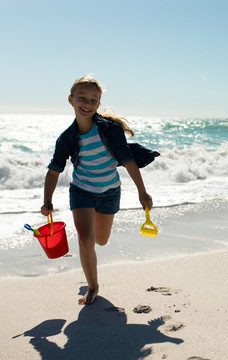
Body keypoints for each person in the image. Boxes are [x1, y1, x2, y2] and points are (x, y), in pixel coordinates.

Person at [41, 76, 153, 305]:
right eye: (82, 98)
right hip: (81, 190)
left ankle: (91, 268)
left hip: (110, 191)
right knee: (85, 240)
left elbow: (128, 160)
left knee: (101, 240)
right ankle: (93, 287)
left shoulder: (111, 129)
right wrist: (47, 200)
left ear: (98, 104)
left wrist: (142, 192)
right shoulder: (66, 138)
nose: (87, 103)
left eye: (93, 99)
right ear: (71, 100)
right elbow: (54, 172)